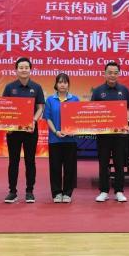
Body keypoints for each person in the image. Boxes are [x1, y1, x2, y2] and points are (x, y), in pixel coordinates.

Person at [2, 57, 45, 204]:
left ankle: (29, 191)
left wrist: (33, 121)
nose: (24, 70)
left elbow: (40, 108)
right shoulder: (9, 87)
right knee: (13, 161)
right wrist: (8, 125)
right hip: (13, 131)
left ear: (30, 69)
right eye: (21, 67)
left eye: (26, 67)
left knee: (30, 161)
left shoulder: (37, 87)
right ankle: (12, 191)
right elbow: (4, 107)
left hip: (30, 130)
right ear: (16, 70)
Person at [92, 62, 129, 203]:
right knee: (103, 163)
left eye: (115, 73)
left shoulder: (124, 90)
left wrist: (123, 121)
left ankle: (119, 191)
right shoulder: (98, 91)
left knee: (119, 163)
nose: (112, 75)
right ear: (105, 74)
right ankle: (103, 191)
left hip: (119, 134)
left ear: (118, 74)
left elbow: (128, 109)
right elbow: (93, 110)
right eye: (110, 72)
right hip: (103, 134)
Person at [44, 73, 79, 203]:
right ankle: (57, 193)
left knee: (70, 168)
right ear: (56, 84)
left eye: (65, 82)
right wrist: (55, 132)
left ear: (68, 84)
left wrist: (73, 130)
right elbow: (48, 118)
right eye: (60, 82)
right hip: (55, 139)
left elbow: (77, 118)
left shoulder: (75, 99)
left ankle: (68, 193)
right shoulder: (50, 100)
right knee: (55, 168)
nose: (62, 85)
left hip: (71, 140)